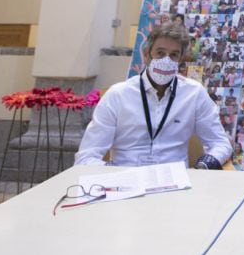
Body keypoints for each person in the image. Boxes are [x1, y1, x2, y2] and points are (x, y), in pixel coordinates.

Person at [75, 20, 232, 168]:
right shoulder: (117, 95)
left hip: (174, 184)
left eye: (173, 55)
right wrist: (115, 174)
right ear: (146, 55)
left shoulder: (194, 93)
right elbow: (86, 157)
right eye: (160, 53)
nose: (166, 60)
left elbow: (221, 144)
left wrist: (204, 165)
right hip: (127, 182)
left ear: (180, 59)